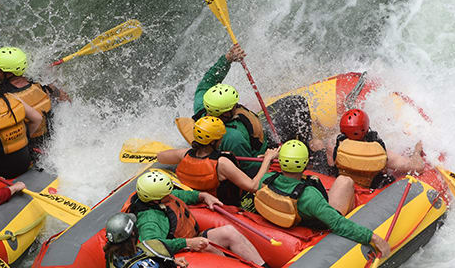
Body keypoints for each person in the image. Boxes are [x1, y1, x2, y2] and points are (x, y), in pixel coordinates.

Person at [254, 140, 391, 256]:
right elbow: (338, 224)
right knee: (345, 181)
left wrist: (268, 159)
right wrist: (372, 237)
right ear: (305, 163)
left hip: (294, 218)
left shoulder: (265, 180)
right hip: (316, 224)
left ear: (280, 161)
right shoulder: (309, 195)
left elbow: (257, 183)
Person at [122, 170, 269, 268]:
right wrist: (187, 242)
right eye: (167, 194)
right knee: (208, 246)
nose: (170, 195)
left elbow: (180, 196)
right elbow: (151, 244)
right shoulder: (150, 220)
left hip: (191, 238)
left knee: (229, 231)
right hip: (179, 253)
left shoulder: (162, 198)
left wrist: (203, 196)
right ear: (155, 201)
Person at [158, 116, 279, 207]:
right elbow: (253, 186)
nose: (221, 139)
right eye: (220, 137)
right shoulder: (222, 164)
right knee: (265, 171)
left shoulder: (184, 154)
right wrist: (267, 158)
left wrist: (187, 151)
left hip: (198, 194)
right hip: (226, 202)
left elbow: (161, 156)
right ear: (213, 141)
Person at [192, 44, 268, 178]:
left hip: (248, 137)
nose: (236, 106)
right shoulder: (233, 138)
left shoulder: (201, 105)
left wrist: (227, 59)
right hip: (261, 148)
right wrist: (269, 158)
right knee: (295, 102)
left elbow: (208, 81)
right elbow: (247, 169)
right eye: (234, 105)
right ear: (226, 113)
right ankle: (312, 145)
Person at [0, 46, 69, 146]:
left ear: (9, 73)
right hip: (51, 139)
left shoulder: (3, 97)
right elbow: (65, 98)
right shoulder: (42, 86)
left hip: (29, 146)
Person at [331, 109, 425, 189]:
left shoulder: (334, 146)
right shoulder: (380, 154)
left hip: (342, 186)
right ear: (367, 129)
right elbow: (418, 167)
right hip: (369, 191)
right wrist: (417, 151)